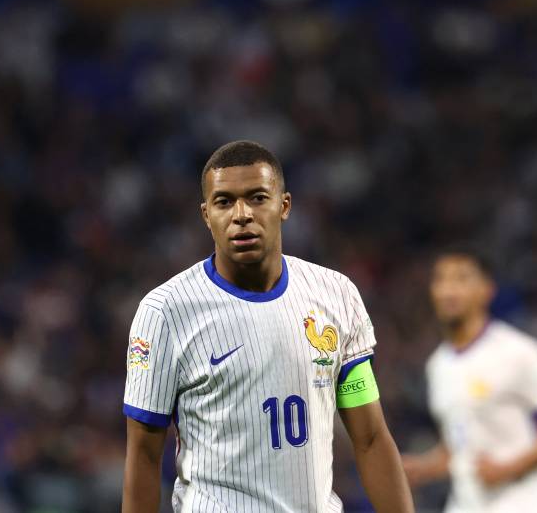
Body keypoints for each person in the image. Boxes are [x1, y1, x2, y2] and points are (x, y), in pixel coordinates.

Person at [122, 140, 415, 513]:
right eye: (224, 201)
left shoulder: (336, 295)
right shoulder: (165, 312)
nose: (241, 214)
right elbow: (144, 456)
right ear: (206, 214)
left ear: (284, 206)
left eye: (257, 198)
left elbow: (371, 437)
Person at [402, 248, 537, 513]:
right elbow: (459, 443)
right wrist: (423, 467)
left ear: (486, 290)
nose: (448, 290)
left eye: (461, 279)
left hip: (523, 502)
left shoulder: (517, 351)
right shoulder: (438, 365)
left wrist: (509, 468)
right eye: (440, 280)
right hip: (467, 504)